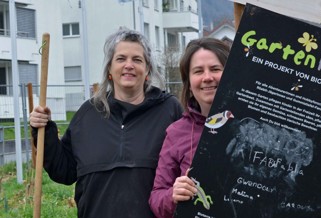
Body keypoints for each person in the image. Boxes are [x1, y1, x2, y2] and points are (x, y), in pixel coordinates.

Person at [29, 27, 183, 218]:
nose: (129, 65)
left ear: (148, 71)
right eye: (121, 59)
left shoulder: (169, 111)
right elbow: (65, 171)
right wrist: (44, 131)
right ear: (109, 69)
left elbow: (189, 164)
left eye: (137, 60)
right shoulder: (89, 113)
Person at [149, 37, 230, 218]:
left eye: (215, 69)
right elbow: (156, 198)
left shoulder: (253, 125)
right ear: (189, 83)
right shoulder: (176, 133)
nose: (207, 77)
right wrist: (173, 195)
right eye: (198, 71)